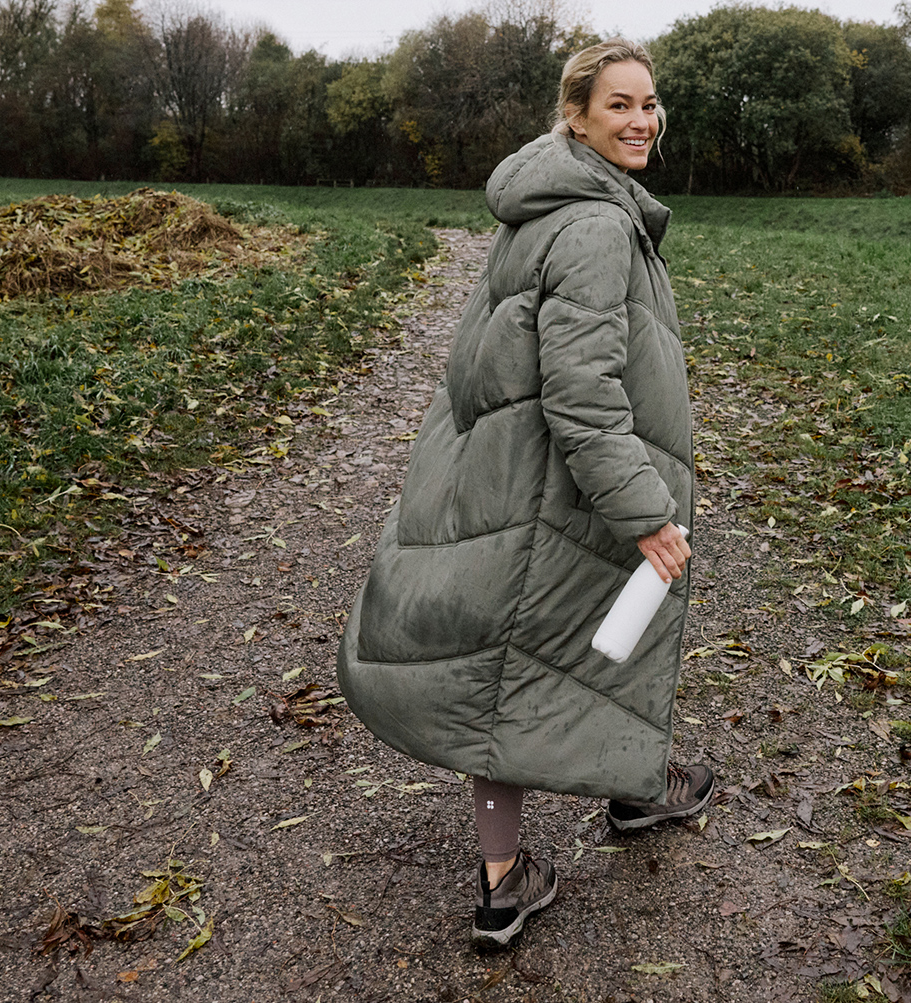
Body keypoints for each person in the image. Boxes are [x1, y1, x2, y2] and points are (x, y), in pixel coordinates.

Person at [334, 38, 712, 946]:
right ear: (574, 115)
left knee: (557, 647)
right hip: (557, 487)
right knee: (517, 668)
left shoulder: (551, 202)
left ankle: (631, 787)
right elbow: (581, 394)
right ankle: (507, 881)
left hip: (527, 475)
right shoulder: (591, 225)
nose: (642, 121)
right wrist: (644, 511)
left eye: (650, 104)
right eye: (619, 105)